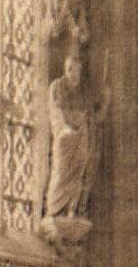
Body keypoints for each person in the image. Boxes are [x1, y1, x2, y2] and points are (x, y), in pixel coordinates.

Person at [44, 49, 109, 219]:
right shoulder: (57, 86)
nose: (74, 74)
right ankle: (55, 210)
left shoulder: (84, 93)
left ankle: (71, 211)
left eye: (77, 70)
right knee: (61, 172)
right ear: (66, 69)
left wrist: (106, 101)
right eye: (70, 69)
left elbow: (95, 118)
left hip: (81, 141)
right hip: (64, 138)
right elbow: (57, 111)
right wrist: (72, 123)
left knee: (77, 175)